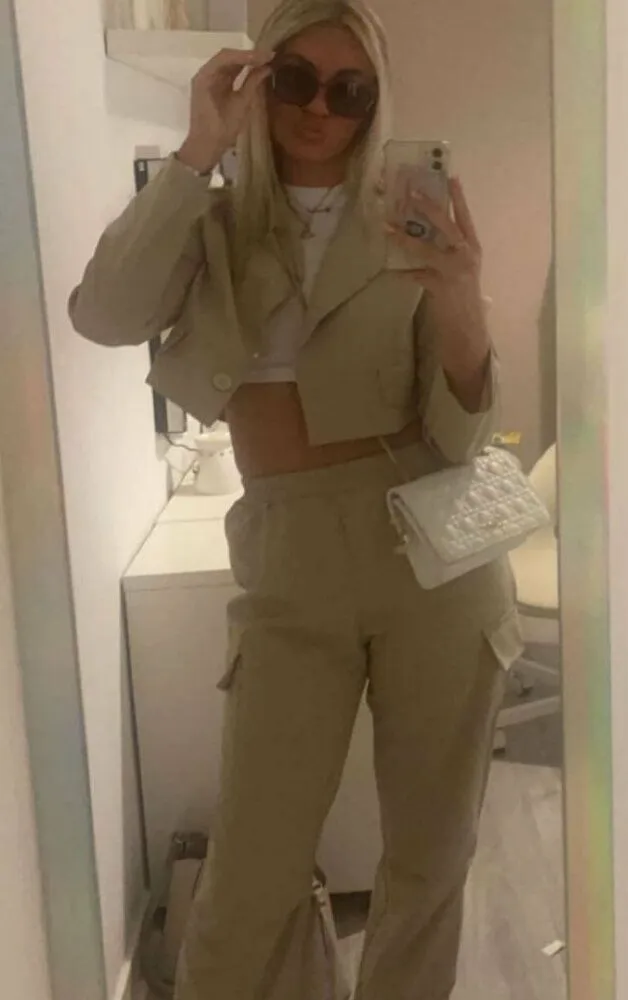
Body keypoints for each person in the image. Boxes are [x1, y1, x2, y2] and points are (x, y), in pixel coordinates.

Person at [69, 1, 522, 997]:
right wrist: (198, 148)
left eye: (349, 90)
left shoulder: (407, 218)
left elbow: (459, 438)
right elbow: (103, 313)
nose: (320, 108)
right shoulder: (214, 223)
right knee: (252, 867)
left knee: (430, 857)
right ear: (256, 82)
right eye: (295, 80)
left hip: (430, 553)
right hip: (288, 552)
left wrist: (462, 299)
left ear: (375, 102)